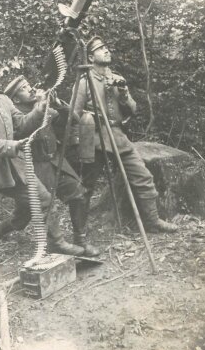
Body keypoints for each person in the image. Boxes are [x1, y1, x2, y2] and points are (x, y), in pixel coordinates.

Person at [0, 53, 83, 256]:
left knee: (44, 200)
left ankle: (56, 244)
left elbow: (22, 124)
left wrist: (40, 108)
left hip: (12, 167)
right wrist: (17, 145)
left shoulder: (2, 99)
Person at [72, 36, 178, 233]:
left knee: (143, 175)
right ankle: (79, 232)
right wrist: (83, 128)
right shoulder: (84, 82)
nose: (106, 50)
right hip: (94, 139)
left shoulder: (116, 78)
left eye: (106, 47)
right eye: (100, 48)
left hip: (118, 136)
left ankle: (152, 222)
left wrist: (124, 94)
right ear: (90, 56)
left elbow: (133, 109)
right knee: (86, 186)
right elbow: (73, 115)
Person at [4, 76, 100, 257]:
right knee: (24, 214)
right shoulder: (15, 114)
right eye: (24, 89)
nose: (31, 89)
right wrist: (39, 107)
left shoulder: (43, 105)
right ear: (16, 99)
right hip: (34, 166)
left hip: (55, 161)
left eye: (29, 85)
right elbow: (24, 130)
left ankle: (81, 240)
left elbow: (72, 120)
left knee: (78, 193)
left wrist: (56, 102)